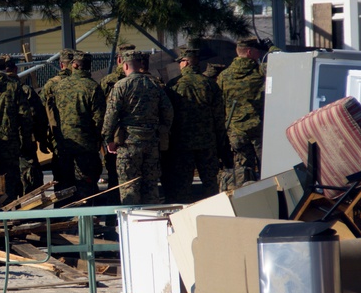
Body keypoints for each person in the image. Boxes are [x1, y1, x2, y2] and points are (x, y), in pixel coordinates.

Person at [102, 51, 173, 204]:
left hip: (128, 144)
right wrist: (161, 130)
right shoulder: (154, 84)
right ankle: (152, 222)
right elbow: (168, 111)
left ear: (125, 65)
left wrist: (108, 140)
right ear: (140, 64)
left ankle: (133, 223)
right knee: (151, 186)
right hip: (151, 142)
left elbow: (111, 116)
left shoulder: (121, 85)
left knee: (129, 187)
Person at [162, 48, 224, 202]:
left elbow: (167, 115)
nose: (179, 65)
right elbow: (219, 116)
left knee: (182, 185)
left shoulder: (173, 85)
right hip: (207, 142)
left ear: (186, 62)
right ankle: (216, 212)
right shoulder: (210, 84)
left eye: (180, 62)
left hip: (181, 143)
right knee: (211, 183)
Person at [53, 51, 105, 200]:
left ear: (74, 65)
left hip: (63, 144)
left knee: (65, 184)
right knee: (86, 185)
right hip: (86, 145)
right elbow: (100, 118)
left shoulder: (60, 86)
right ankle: (85, 218)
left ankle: (64, 218)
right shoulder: (93, 87)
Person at [0, 55, 32, 200]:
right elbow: (25, 116)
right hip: (10, 142)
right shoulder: (14, 87)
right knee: (9, 179)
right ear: (4, 68)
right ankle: (8, 212)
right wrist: (26, 142)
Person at [216, 37, 266, 186]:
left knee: (243, 173)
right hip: (260, 131)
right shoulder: (261, 72)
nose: (259, 55)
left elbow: (220, 104)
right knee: (269, 172)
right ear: (250, 52)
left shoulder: (224, 75)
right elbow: (283, 62)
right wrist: (272, 49)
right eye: (258, 51)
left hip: (236, 131)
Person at [6, 59, 48, 194]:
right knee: (31, 182)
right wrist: (42, 141)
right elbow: (39, 117)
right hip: (25, 144)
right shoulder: (25, 90)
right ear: (15, 70)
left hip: (1, 146)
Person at [98, 44, 135, 194]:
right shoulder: (145, 80)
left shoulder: (108, 81)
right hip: (139, 137)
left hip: (115, 137)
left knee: (115, 177)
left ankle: (113, 216)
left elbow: (103, 112)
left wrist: (105, 138)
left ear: (119, 59)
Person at [42, 48, 75, 187]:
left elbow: (44, 112)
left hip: (59, 138)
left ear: (61, 64)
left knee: (61, 180)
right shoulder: (85, 83)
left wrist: (45, 138)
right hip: (82, 138)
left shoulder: (51, 84)